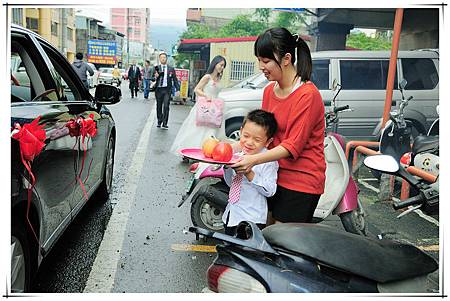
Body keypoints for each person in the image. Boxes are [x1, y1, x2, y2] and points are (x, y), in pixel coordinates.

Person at [231, 27, 326, 224]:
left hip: (300, 181)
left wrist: (253, 161)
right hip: (272, 176)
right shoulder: (268, 91)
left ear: (286, 59)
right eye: (259, 60)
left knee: (283, 244)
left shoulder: (307, 95)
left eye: (266, 61)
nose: (260, 66)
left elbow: (293, 146)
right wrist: (219, 152)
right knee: (265, 238)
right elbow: (261, 136)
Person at [223, 109, 279, 235]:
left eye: (257, 140)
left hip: (251, 219)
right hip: (231, 215)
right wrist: (226, 168)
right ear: (241, 130)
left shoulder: (268, 161)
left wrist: (249, 174)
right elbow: (231, 184)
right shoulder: (238, 154)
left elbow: (270, 190)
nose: (249, 142)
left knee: (246, 252)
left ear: (268, 141)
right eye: (246, 136)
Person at [169, 55, 226, 155]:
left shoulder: (218, 79)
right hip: (204, 106)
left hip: (214, 108)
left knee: (211, 130)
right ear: (215, 64)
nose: (222, 67)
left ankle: (206, 152)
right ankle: (191, 151)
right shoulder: (207, 77)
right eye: (221, 65)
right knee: (197, 130)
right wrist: (206, 95)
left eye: (223, 66)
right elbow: (197, 89)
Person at [151, 52, 180, 129]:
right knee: (159, 106)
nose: (163, 59)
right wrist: (155, 77)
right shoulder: (156, 68)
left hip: (167, 89)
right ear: (159, 59)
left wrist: (178, 89)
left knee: (166, 106)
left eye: (164, 57)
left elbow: (175, 79)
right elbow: (151, 79)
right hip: (159, 90)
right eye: (161, 57)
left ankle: (165, 122)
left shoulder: (171, 69)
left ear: (166, 59)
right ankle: (159, 121)